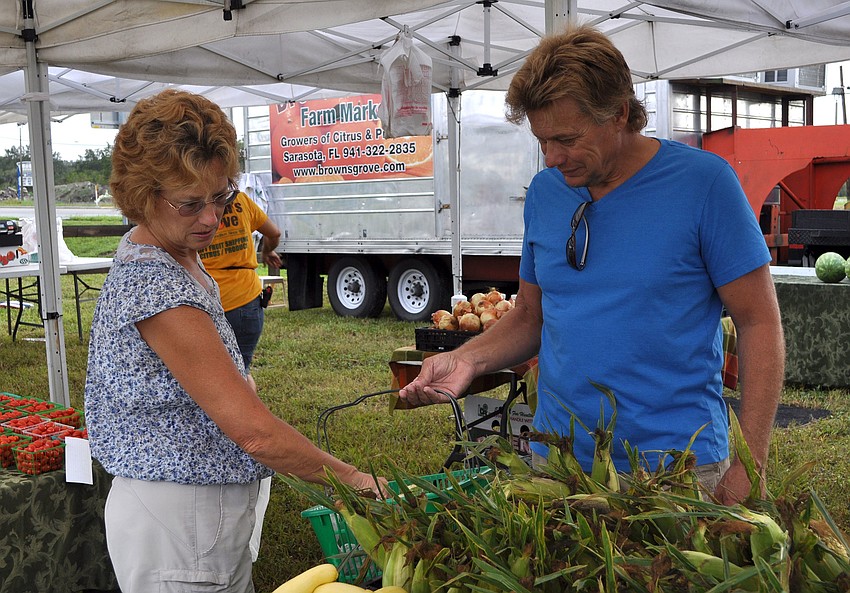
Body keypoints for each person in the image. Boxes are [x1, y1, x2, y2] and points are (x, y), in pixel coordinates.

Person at [398, 25, 785, 506]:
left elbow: (759, 322)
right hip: (557, 462)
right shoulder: (545, 192)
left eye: (566, 138)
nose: (552, 157)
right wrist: (466, 360)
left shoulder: (705, 186)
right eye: (542, 140)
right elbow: (530, 316)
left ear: (620, 113)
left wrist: (751, 462)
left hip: (674, 470)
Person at [84, 89, 384, 593]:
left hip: (196, 514)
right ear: (141, 195)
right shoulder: (155, 286)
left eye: (222, 196)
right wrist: (353, 481)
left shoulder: (173, 248)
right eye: (190, 203)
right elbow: (254, 433)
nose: (211, 218)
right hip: (178, 521)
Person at [199, 189, 282, 368]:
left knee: (215, 371)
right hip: (246, 300)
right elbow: (274, 233)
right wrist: (267, 251)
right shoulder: (241, 200)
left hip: (206, 300)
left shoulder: (193, 204)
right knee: (240, 370)